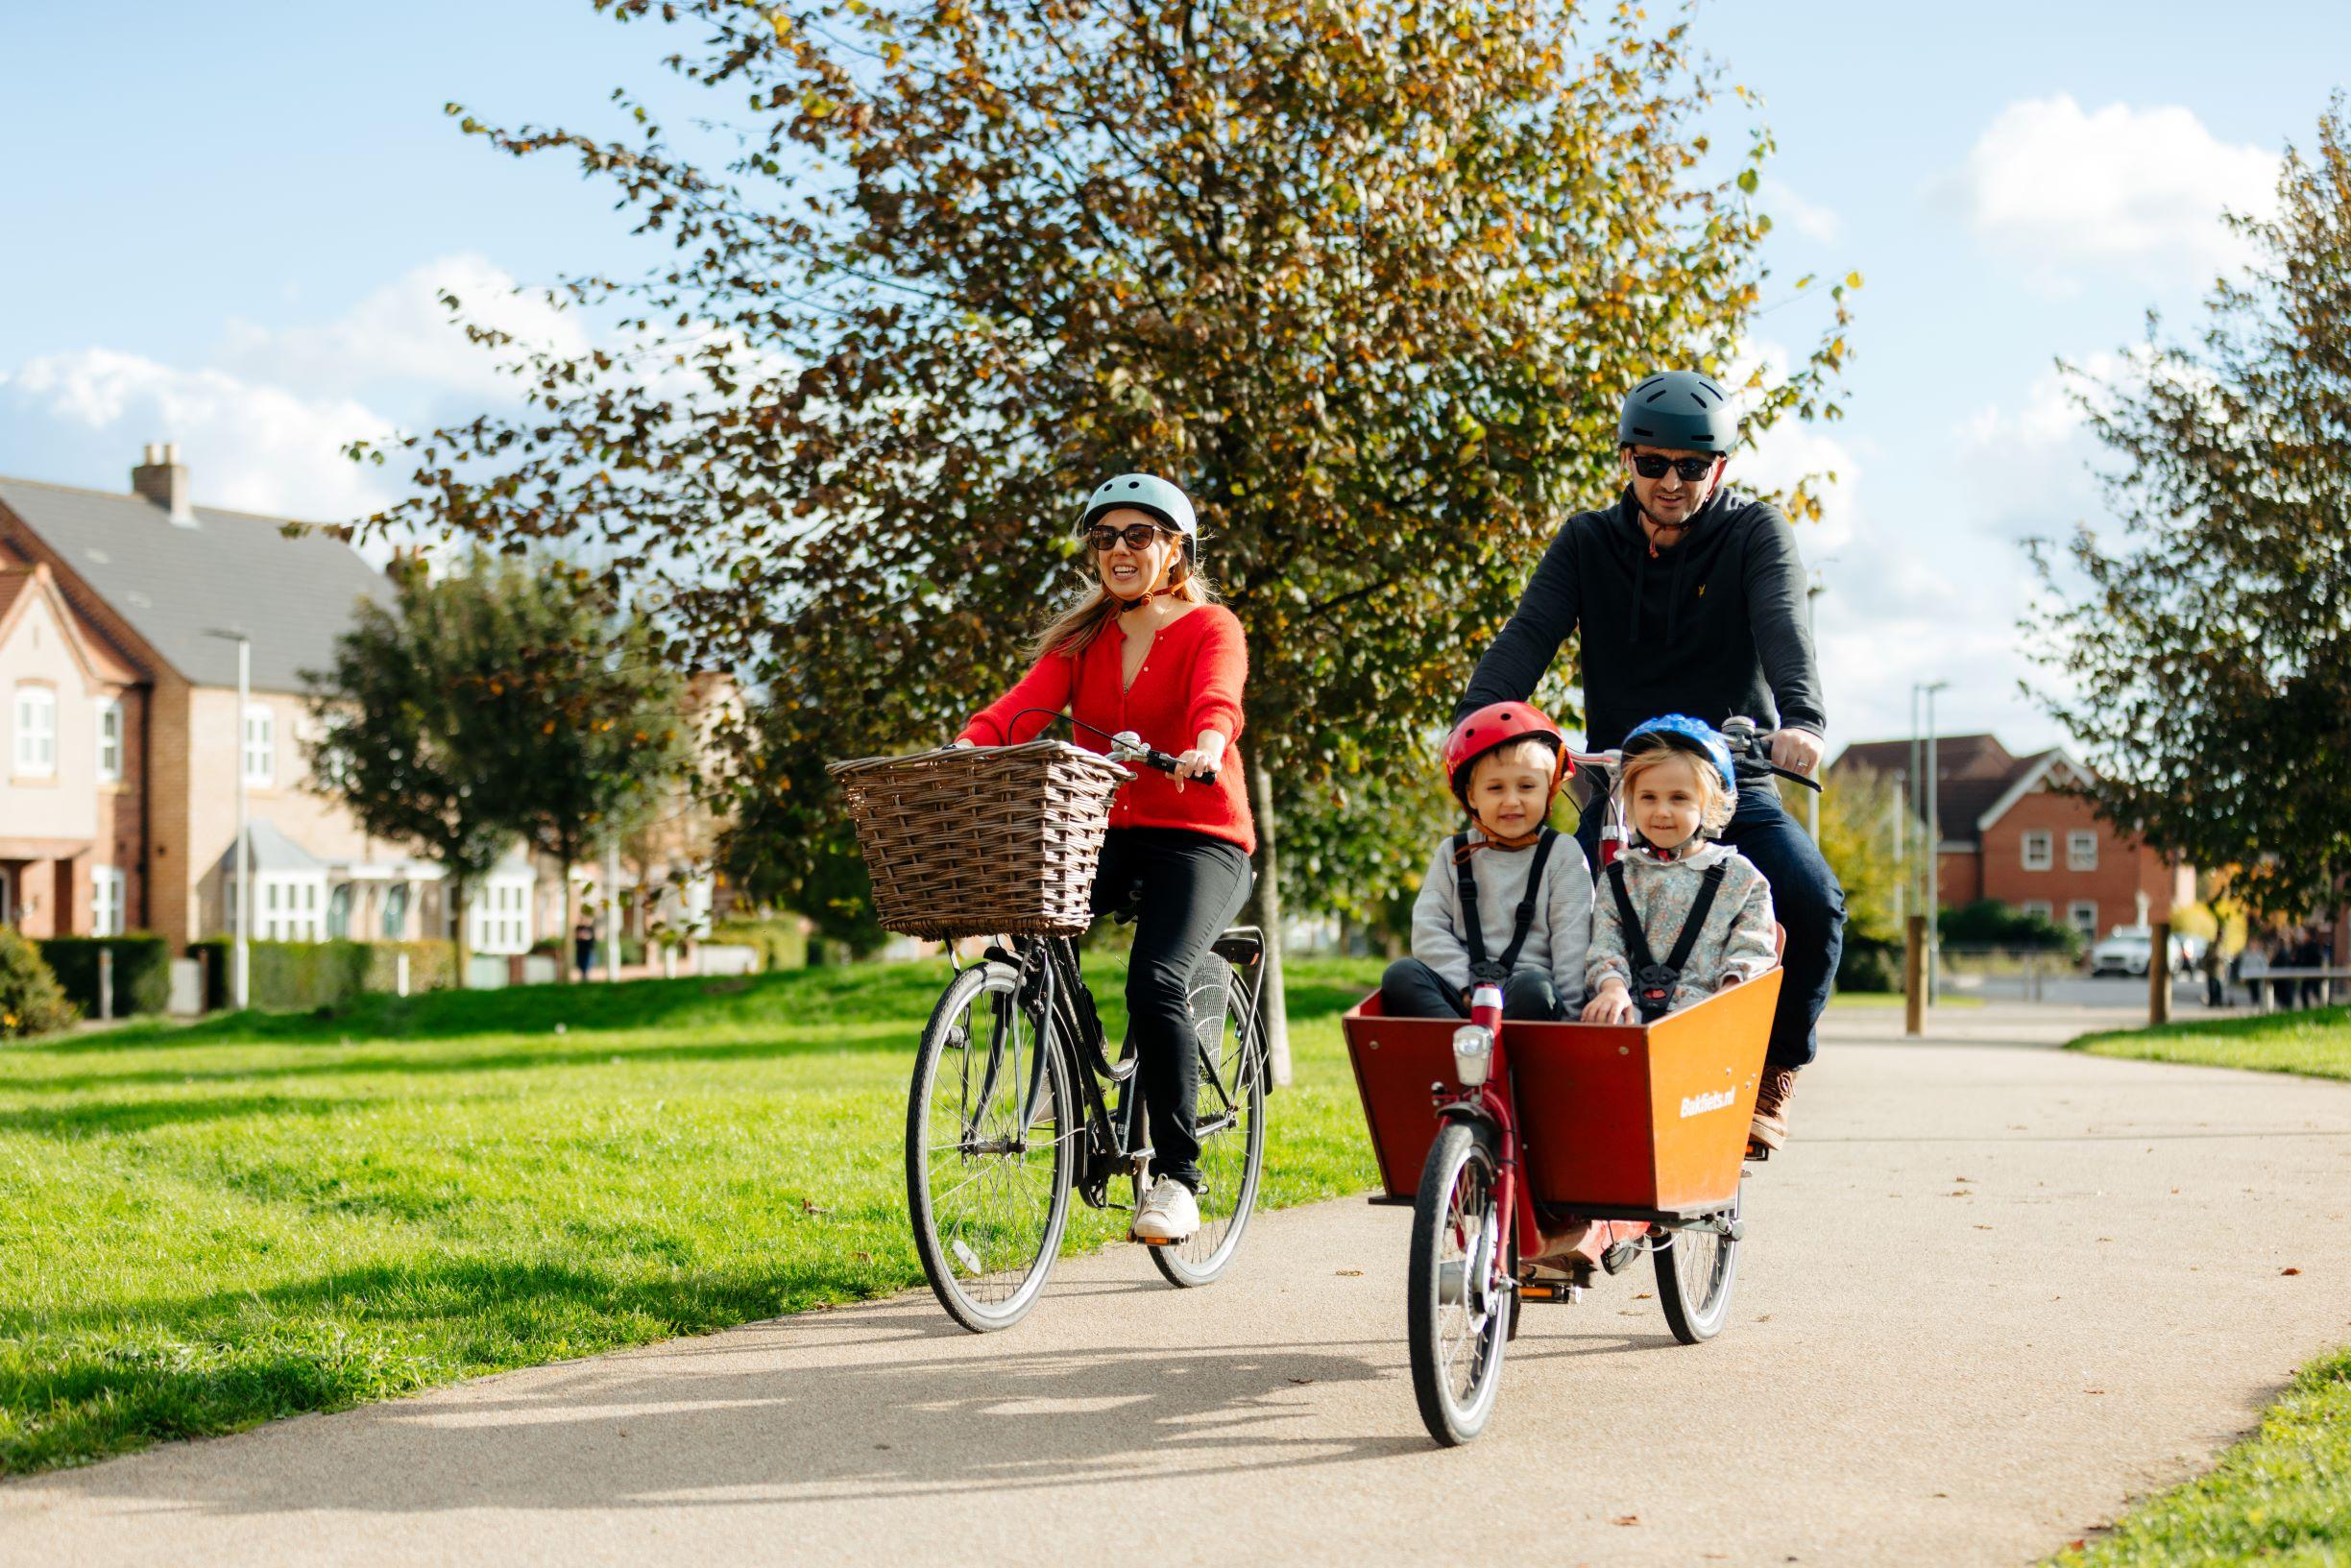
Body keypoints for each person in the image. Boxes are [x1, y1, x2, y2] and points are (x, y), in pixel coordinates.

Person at [1458, 370, 1843, 1151]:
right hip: (1622, 781)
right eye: (1654, 463)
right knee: (1549, 914)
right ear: (1626, 459)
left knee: (1812, 898)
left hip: (1728, 780)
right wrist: (1479, 722)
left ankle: (1773, 1066)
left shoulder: (1755, 535)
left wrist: (1800, 718)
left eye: (1693, 467)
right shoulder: (1586, 542)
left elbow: (1783, 627)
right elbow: (1526, 637)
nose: (1672, 481)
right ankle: (1551, 1114)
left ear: (1721, 470)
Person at [953, 472, 1252, 1245]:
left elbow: (1218, 698)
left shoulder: (1211, 625)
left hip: (1202, 832)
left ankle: (1180, 1179)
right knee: (1030, 928)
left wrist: (1207, 746)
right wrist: (962, 749)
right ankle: (1061, 1070)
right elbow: (1019, 706)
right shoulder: (1083, 640)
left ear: (1174, 546)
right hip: (1101, 829)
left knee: (1156, 978)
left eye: (1139, 535)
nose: (1120, 550)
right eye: (1105, 537)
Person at [1380, 701, 1592, 1024]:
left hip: (1526, 1000)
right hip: (1461, 994)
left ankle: (1490, 1055)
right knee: (1401, 975)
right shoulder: (1453, 852)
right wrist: (1465, 986)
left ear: (1549, 791)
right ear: (1472, 796)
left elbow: (1572, 944)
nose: (1511, 801)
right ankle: (1463, 1049)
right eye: (1495, 788)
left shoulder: (1563, 854)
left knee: (1537, 990)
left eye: (1527, 787)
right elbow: (1429, 928)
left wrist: (1571, 1022)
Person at [1580, 719, 1779, 1051]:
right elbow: (1606, 945)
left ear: (1710, 804)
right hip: (1630, 1014)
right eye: (1648, 797)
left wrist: (1729, 992)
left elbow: (1752, 947)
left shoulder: (1739, 878)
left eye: (1678, 798)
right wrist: (1612, 987)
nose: (1661, 811)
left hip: (1706, 1015)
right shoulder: (1620, 877)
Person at [573, 912, 597, 981]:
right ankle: (583, 977)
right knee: (580, 963)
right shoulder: (578, 927)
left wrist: (585, 937)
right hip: (580, 948)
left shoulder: (590, 928)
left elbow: (592, 938)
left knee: (587, 963)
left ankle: (585, 977)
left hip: (588, 949)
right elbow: (577, 937)